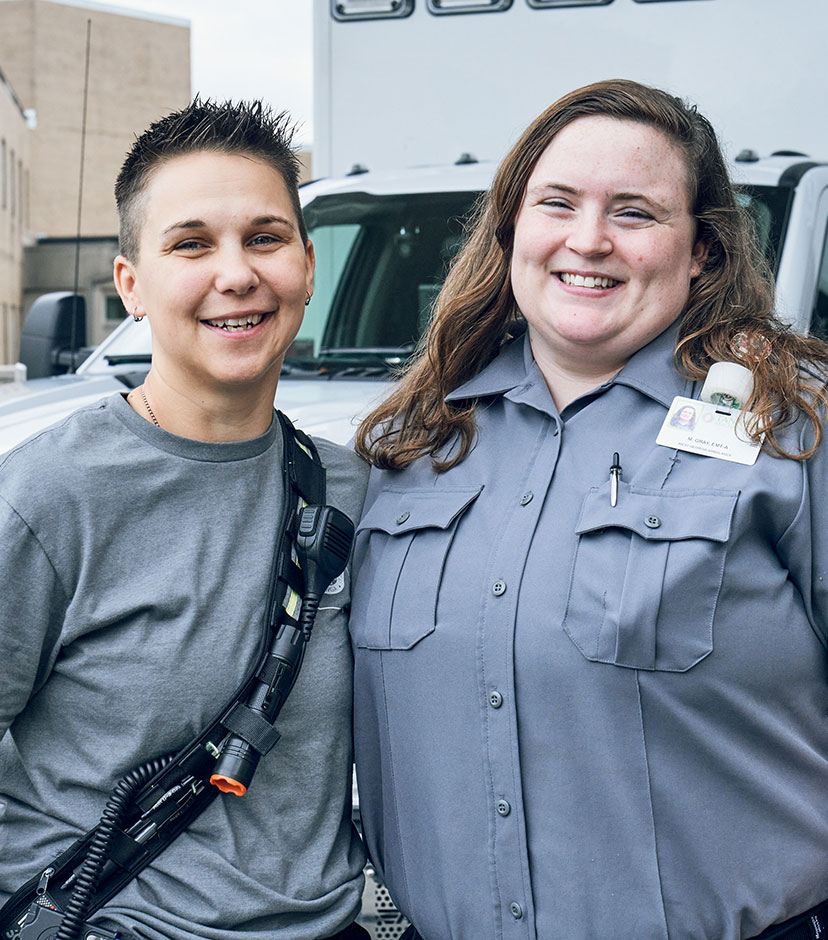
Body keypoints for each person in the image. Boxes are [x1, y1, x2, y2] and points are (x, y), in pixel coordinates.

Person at [350, 79, 828, 940]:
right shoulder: (408, 444)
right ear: (510, 232)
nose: (588, 240)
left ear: (703, 254)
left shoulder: (793, 428)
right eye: (556, 203)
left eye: (636, 213)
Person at [0, 99, 370, 940]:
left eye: (266, 238)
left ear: (308, 267)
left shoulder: (356, 491)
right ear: (131, 283)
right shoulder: (46, 496)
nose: (235, 274)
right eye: (191, 244)